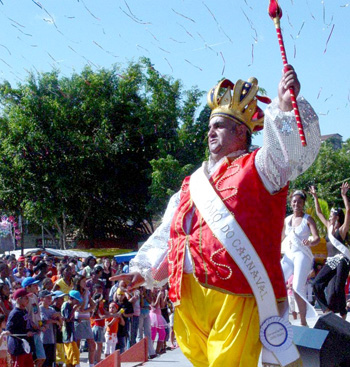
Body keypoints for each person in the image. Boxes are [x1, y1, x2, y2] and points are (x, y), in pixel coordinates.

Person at [111, 65, 321, 367]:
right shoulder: (190, 183)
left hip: (238, 292)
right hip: (187, 295)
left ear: (240, 131)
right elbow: (167, 233)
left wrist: (285, 105)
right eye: (210, 126)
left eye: (219, 125)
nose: (210, 131)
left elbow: (288, 153)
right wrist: (141, 272)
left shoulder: (260, 168)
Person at [310, 183, 350, 319]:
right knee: (316, 284)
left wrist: (344, 195)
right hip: (331, 261)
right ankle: (327, 310)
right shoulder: (328, 227)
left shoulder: (342, 230)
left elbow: (349, 210)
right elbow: (319, 212)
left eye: (332, 214)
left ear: (337, 217)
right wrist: (315, 197)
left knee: (338, 288)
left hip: (342, 260)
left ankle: (343, 314)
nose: (329, 216)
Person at [280, 190, 320, 326]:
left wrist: (310, 242)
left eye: (300, 201)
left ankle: (303, 322)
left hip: (303, 255)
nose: (297, 204)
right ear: (291, 203)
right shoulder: (286, 220)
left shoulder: (308, 219)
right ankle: (282, 318)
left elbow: (317, 238)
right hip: (289, 255)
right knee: (277, 281)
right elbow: (280, 239)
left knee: (297, 287)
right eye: (294, 201)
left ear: (303, 203)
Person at [7, 288, 35, 367]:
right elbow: (10, 331)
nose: (28, 300)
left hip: (26, 346)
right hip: (18, 347)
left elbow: (27, 325)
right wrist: (25, 333)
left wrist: (31, 331)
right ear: (19, 299)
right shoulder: (14, 313)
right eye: (26, 298)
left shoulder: (24, 311)